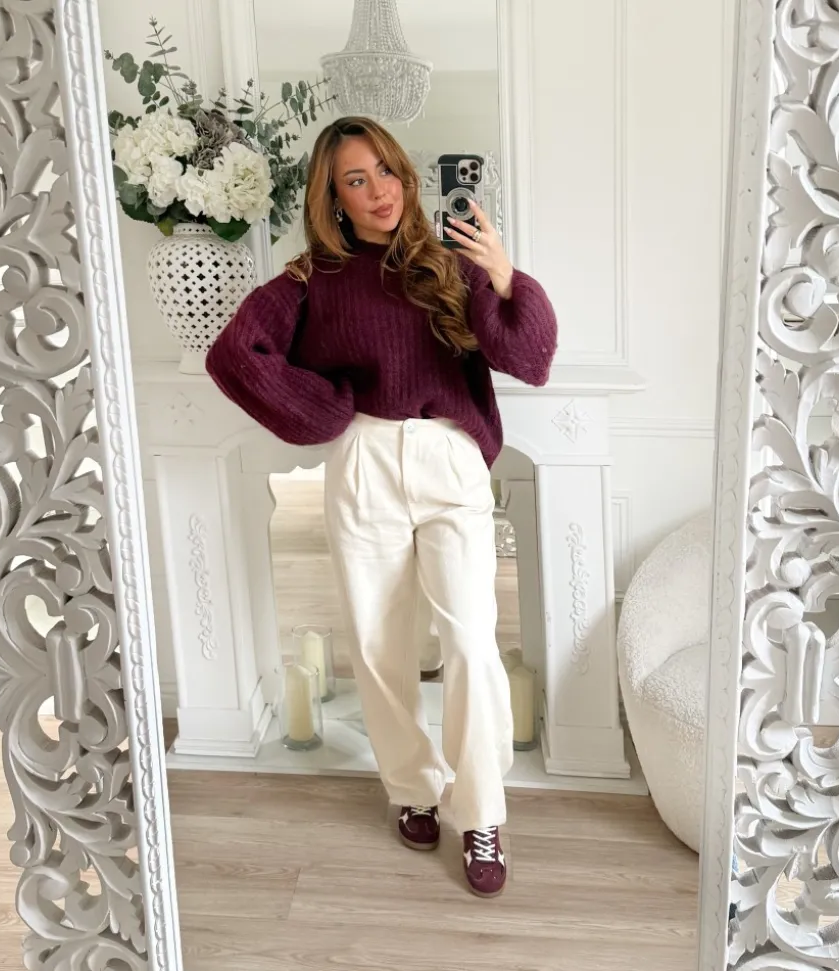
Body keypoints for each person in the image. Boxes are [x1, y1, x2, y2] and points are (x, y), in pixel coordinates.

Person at [206, 116, 557, 898]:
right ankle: (411, 787)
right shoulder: (310, 279)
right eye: (355, 181)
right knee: (377, 643)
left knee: (469, 639)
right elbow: (234, 354)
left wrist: (503, 273)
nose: (379, 192)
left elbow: (530, 358)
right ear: (332, 198)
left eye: (386, 171)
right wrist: (323, 410)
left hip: (448, 458)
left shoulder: (450, 261)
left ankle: (481, 812)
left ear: (406, 174)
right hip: (364, 458)